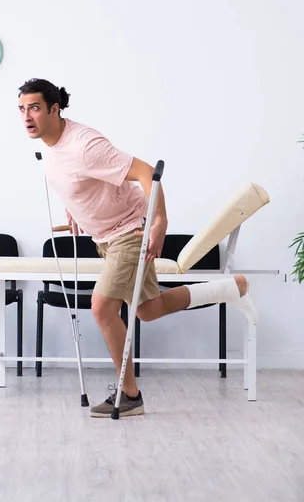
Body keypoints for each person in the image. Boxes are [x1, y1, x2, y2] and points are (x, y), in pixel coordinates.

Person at [18, 78, 258, 418]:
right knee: (148, 309)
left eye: (35, 108)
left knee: (101, 308)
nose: (27, 116)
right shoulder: (49, 147)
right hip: (105, 239)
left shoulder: (85, 145)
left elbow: (147, 173)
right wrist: (74, 208)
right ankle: (231, 288)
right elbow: (76, 182)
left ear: (54, 109)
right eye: (22, 109)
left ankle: (130, 395)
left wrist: (159, 220)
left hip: (131, 231)